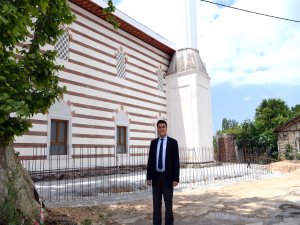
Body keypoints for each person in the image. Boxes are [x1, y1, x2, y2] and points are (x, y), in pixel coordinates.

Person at [146, 120, 180, 225]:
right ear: (157, 129)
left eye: (163, 127)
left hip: (168, 178)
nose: (161, 129)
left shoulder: (173, 142)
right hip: (156, 178)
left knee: (168, 205)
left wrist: (176, 178)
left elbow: (176, 161)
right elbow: (150, 160)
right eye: (159, 127)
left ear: (166, 128)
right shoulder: (153, 143)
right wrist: (148, 177)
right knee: (156, 205)